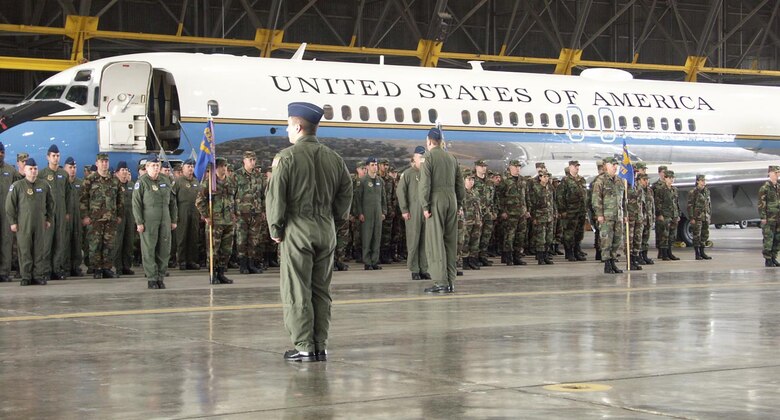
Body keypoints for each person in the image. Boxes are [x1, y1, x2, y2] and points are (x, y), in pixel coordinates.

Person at [265, 102, 352, 362]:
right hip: (326, 230)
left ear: (299, 127)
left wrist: (275, 227)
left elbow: (276, 196)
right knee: (321, 290)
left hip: (297, 229)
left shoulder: (286, 157)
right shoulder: (334, 158)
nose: (286, 130)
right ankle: (320, 345)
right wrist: (335, 220)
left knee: (296, 288)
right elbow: (346, 192)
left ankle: (303, 345)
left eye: (288, 125)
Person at [419, 127, 465, 293]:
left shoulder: (428, 157)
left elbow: (425, 184)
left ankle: (440, 281)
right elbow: (460, 185)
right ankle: (450, 280)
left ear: (430, 141)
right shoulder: (451, 158)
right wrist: (458, 204)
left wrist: (425, 205)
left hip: (436, 200)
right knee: (450, 241)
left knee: (435, 241)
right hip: (452, 200)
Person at [5, 158, 54, 286]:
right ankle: (26, 276)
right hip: (23, 224)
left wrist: (49, 219)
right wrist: (12, 222)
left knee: (39, 250)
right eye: (30, 169)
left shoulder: (44, 185)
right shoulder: (17, 186)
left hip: (40, 223)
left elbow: (51, 203)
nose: (33, 171)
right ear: (25, 170)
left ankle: (38, 275)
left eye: (35, 169)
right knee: (25, 250)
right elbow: (9, 206)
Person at [132, 157, 178, 289]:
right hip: (149, 220)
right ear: (146, 168)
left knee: (164, 249)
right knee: (149, 249)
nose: (156, 168)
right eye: (153, 165)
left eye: (157, 165)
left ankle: (161, 276)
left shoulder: (166, 180)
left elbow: (173, 202)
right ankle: (152, 277)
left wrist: (174, 219)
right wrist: (139, 222)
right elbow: (136, 204)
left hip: (165, 219)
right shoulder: (142, 182)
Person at [195, 157, 235, 284]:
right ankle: (213, 274)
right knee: (213, 249)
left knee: (226, 249)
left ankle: (221, 273)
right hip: (215, 221)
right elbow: (199, 201)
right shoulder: (209, 182)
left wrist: (234, 214)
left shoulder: (230, 181)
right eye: (222, 166)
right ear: (215, 168)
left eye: (225, 165)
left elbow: (234, 199)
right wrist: (206, 216)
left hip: (228, 221)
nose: (224, 168)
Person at [397, 146, 429, 280]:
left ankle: (424, 268)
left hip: (425, 211)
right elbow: (401, 192)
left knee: (425, 241)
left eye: (424, 157)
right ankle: (414, 269)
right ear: (414, 158)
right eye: (420, 157)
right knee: (413, 240)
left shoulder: (427, 173)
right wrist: (404, 209)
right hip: (413, 211)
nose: (422, 160)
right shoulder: (408, 174)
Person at [40, 144, 70, 280]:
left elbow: (68, 195)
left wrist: (67, 212)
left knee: (60, 242)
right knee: (46, 243)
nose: (56, 158)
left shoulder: (63, 174)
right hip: (48, 215)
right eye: (53, 156)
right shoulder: (42, 174)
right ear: (48, 157)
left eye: (58, 156)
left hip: (61, 212)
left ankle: (56, 269)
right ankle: (45, 270)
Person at [591, 157, 626, 274]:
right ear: (606, 166)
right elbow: (596, 199)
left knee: (617, 240)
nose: (615, 167)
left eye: (616, 165)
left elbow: (623, 200)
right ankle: (607, 263)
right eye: (613, 164)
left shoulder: (619, 181)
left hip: (618, 216)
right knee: (606, 240)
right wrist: (599, 214)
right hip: (606, 216)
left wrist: (624, 214)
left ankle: (612, 261)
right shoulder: (600, 181)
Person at [232, 151, 265, 274]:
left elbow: (263, 194)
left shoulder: (258, 176)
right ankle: (243, 264)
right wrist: (232, 212)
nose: (252, 162)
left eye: (254, 160)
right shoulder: (236, 175)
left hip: (255, 212)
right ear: (244, 161)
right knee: (241, 239)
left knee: (254, 239)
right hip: (241, 213)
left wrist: (263, 210)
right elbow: (231, 195)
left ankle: (251, 263)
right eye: (250, 160)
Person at [496, 160, 529, 266]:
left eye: (519, 167)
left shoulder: (523, 180)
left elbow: (526, 196)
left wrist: (527, 210)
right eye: (515, 166)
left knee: (520, 236)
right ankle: (508, 257)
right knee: (509, 236)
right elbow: (499, 197)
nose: (517, 168)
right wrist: (502, 211)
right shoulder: (505, 180)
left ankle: (517, 256)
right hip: (510, 214)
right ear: (510, 167)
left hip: (521, 213)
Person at [355, 157, 386, 270]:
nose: (375, 167)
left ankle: (374, 261)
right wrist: (360, 213)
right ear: (367, 167)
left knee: (377, 237)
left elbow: (383, 198)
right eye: (372, 165)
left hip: (378, 213)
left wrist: (384, 211)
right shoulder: (363, 181)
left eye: (376, 164)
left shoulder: (380, 181)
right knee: (367, 237)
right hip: (367, 213)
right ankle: (367, 262)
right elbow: (358, 199)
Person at [172, 159, 201, 270]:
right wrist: (175, 214)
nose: (190, 168)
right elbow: (173, 199)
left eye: (192, 166)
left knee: (193, 236)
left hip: (194, 211)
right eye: (188, 166)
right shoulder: (178, 182)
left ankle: (192, 260)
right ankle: (182, 261)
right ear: (183, 168)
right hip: (182, 211)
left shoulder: (196, 181)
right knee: (182, 237)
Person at [558, 160, 588, 262]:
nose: (577, 168)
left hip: (581, 211)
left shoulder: (581, 179)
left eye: (578, 166)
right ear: (570, 167)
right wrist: (562, 210)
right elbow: (560, 196)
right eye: (575, 166)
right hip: (570, 211)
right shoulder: (565, 180)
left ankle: (576, 251)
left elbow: (585, 195)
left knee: (579, 233)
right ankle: (569, 253)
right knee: (569, 233)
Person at [0, 142, 21, 282]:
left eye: (2, 152)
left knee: (6, 242)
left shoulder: (11, 171)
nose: (0, 154)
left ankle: (4, 272)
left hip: (6, 213)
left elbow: (17, 193)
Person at [113, 161, 135, 275]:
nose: (125, 172)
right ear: (117, 172)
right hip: (118, 217)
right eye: (122, 170)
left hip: (130, 217)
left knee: (129, 241)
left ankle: (126, 266)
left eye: (126, 170)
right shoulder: (114, 185)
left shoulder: (131, 185)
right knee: (118, 242)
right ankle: (117, 267)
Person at [528, 169, 555, 264]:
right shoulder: (536, 188)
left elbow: (552, 202)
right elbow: (532, 203)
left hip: (549, 216)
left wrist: (554, 213)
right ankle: (540, 257)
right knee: (540, 238)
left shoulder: (550, 188)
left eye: (547, 177)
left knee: (549, 238)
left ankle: (546, 255)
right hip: (539, 216)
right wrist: (534, 217)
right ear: (540, 178)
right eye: (544, 177)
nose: (546, 178)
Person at [63, 157, 84, 277]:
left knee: (77, 241)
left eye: (74, 167)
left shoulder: (80, 184)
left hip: (77, 217)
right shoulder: (62, 182)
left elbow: (85, 201)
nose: (73, 170)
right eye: (70, 167)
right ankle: (65, 267)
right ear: (65, 168)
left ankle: (75, 266)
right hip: (65, 217)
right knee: (65, 242)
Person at [473, 159, 495, 267]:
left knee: (486, 236)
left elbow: (494, 198)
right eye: (481, 166)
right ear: (476, 167)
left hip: (488, 213)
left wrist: (494, 211)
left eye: (485, 166)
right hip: (477, 213)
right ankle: (474, 258)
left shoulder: (490, 182)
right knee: (476, 236)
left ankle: (483, 256)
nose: (484, 168)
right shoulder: (472, 181)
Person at [655, 170, 681, 261]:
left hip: (673, 214)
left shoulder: (674, 190)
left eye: (672, 178)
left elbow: (676, 203)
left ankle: (670, 252)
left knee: (672, 235)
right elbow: (658, 203)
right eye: (669, 178)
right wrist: (659, 214)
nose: (671, 180)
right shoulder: (661, 190)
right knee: (664, 235)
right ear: (665, 178)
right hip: (665, 215)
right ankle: (664, 254)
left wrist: (678, 214)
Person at [460, 169, 482, 270]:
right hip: (466, 221)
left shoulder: (475, 192)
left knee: (475, 241)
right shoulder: (461, 193)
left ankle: (473, 260)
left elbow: (478, 206)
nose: (471, 181)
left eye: (472, 179)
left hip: (476, 220)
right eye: (469, 179)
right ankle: (464, 261)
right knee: (465, 241)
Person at [687, 174, 712, 260]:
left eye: (704, 180)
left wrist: (709, 215)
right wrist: (691, 218)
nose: (703, 182)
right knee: (697, 235)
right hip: (697, 217)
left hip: (705, 216)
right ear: (697, 181)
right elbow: (690, 206)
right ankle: (697, 253)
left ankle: (702, 252)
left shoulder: (707, 191)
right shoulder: (693, 192)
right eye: (702, 180)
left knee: (704, 235)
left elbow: (709, 204)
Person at [759, 166, 780, 267]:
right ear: (770, 174)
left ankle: (773, 257)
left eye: (778, 173)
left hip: (778, 218)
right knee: (768, 239)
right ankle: (768, 259)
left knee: (777, 238)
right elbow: (761, 203)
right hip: (769, 217)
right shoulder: (765, 188)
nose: (777, 175)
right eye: (775, 173)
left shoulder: (778, 187)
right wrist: (763, 217)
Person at [634, 162, 655, 265]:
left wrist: (653, 217)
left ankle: (645, 256)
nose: (646, 181)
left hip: (648, 218)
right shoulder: (636, 189)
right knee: (638, 238)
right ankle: (637, 256)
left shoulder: (649, 190)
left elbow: (652, 205)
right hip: (639, 218)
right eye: (644, 179)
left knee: (645, 239)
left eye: (647, 179)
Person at [627, 173, 647, 270]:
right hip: (630, 217)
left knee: (637, 239)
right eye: (632, 172)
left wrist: (643, 215)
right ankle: (629, 261)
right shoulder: (625, 185)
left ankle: (635, 259)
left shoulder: (638, 186)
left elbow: (642, 203)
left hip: (638, 216)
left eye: (635, 173)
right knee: (629, 240)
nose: (633, 174)